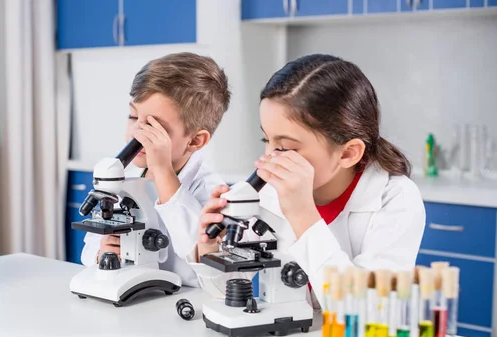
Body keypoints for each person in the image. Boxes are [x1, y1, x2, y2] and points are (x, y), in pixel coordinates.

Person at [194, 54, 425, 308]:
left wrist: (302, 215)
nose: (270, 158)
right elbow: (225, 292)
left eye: (286, 148)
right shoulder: (269, 193)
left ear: (348, 153)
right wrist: (211, 248)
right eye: (267, 141)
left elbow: (363, 311)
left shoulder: (396, 200)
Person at [81, 52, 231, 288]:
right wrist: (103, 254)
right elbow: (90, 247)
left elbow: (204, 264)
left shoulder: (211, 193)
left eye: (155, 127)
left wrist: (162, 171)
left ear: (195, 141)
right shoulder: (125, 176)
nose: (137, 134)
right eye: (133, 116)